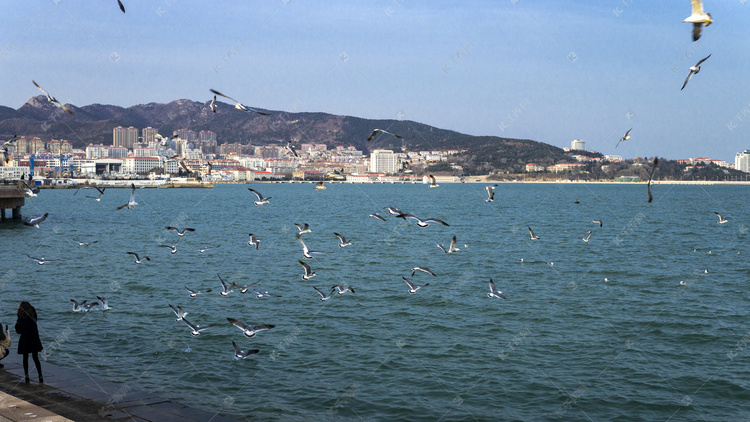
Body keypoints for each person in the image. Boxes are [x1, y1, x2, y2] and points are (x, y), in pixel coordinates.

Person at [15, 302, 43, 383]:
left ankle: (26, 376)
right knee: (35, 357)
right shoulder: (33, 313)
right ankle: (40, 375)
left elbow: (18, 330)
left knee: (25, 358)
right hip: (34, 337)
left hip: (25, 338)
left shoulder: (21, 315)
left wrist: (18, 314)